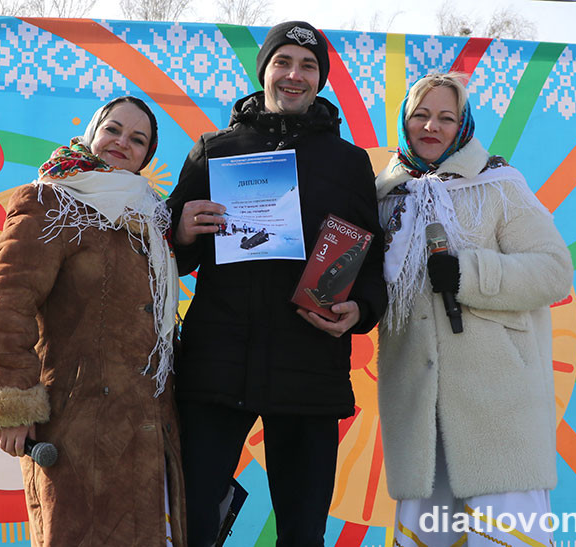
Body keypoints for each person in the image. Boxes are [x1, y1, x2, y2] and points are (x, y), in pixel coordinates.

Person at [166, 21, 387, 547]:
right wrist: (181, 230)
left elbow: (372, 257)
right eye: (283, 62)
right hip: (218, 365)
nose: (294, 75)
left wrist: (361, 309)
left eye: (308, 66)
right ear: (264, 70)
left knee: (303, 532)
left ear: (321, 80)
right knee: (193, 523)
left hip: (309, 368)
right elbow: (172, 255)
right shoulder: (214, 149)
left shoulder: (350, 163)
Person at [0, 96, 185, 546]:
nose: (122, 142)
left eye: (138, 139)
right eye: (113, 129)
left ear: (147, 155)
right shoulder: (50, 200)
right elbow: (7, 302)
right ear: (92, 133)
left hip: (147, 430)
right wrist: (11, 403)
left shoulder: (151, 218)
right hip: (77, 427)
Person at [375, 73, 573, 547]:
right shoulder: (384, 195)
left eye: (446, 117)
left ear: (463, 125)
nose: (431, 127)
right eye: (421, 115)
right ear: (404, 121)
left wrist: (468, 273)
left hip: (499, 411)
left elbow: (553, 270)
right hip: (421, 417)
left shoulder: (499, 185)